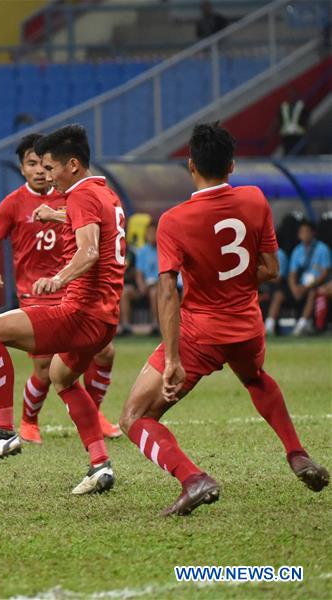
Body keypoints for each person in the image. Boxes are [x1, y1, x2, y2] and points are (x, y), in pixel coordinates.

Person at [119, 123, 328, 517]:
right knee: (255, 378)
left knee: (134, 417)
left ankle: (192, 478)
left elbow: (167, 292)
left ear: (190, 165)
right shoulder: (255, 199)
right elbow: (270, 269)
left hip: (202, 333)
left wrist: (173, 359)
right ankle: (296, 453)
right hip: (248, 328)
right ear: (231, 166)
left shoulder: (174, 220)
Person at [0, 124, 126, 495]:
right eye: (39, 167)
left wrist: (58, 279)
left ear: (72, 165)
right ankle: (100, 464)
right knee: (62, 378)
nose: (48, 176)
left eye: (52, 167)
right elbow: (98, 233)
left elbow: (89, 251)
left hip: (79, 311)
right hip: (105, 317)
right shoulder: (107, 194)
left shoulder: (78, 196)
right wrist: (56, 217)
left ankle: (4, 431)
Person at [289, 220, 330, 335]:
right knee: (282, 292)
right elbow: (292, 272)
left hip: (317, 284)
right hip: (301, 285)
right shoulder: (297, 250)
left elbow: (325, 272)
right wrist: (294, 287)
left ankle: (302, 324)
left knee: (313, 292)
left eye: (307, 231)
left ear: (313, 233)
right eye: (302, 232)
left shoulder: (322, 248)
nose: (304, 234)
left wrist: (307, 287)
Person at [119, 223, 159, 335]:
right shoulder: (141, 251)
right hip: (143, 288)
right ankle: (126, 327)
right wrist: (142, 286)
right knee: (125, 291)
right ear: (146, 234)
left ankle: (156, 326)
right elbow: (139, 273)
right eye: (150, 233)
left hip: (158, 287)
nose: (152, 235)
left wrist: (154, 284)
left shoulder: (162, 250)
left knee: (154, 292)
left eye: (154, 232)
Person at [263, 247, 291, 335]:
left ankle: (269, 327)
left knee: (278, 294)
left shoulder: (279, 254)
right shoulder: (256, 253)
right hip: (263, 287)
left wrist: (261, 275)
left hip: (280, 287)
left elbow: (278, 278)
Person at [278, 90, 310, 155]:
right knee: (288, 154)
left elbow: (307, 120)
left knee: (299, 154)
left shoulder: (301, 107)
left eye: (293, 95)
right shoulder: (284, 107)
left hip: (298, 135)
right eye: (290, 95)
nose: (291, 97)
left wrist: (307, 132)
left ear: (296, 96)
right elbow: (278, 120)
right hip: (287, 136)